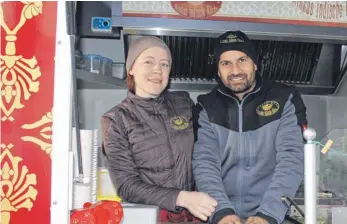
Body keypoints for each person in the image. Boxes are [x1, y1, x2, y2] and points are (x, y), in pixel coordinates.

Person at [192, 31, 307, 224]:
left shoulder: (284, 98)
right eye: (226, 63)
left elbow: (291, 158)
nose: (235, 70)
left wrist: (268, 214)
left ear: (255, 63)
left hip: (274, 215)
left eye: (242, 60)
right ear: (219, 71)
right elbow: (205, 163)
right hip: (223, 215)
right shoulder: (206, 107)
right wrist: (221, 210)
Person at [101, 36, 217, 223]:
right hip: (151, 217)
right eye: (148, 62)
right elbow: (126, 186)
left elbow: (207, 152)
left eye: (164, 64)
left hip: (196, 216)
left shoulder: (184, 104)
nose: (157, 70)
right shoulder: (116, 120)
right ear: (131, 69)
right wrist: (181, 198)